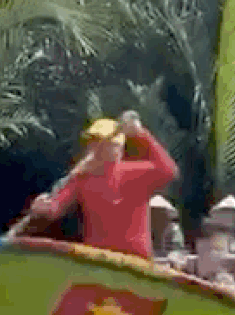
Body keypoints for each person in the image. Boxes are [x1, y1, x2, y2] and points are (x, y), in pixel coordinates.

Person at [30, 111, 179, 261]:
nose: (95, 148)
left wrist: (141, 134)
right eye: (92, 142)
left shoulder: (137, 173)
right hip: (98, 259)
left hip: (136, 260)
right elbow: (55, 207)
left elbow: (169, 171)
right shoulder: (81, 178)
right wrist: (43, 207)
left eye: (101, 143)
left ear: (117, 147)